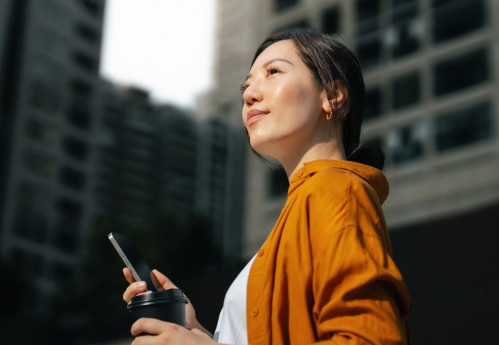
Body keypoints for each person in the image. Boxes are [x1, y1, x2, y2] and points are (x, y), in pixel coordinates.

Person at [122, 28, 412, 344]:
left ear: (333, 96)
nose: (249, 95)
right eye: (246, 86)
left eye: (273, 72)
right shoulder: (298, 214)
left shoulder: (335, 191)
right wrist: (197, 333)